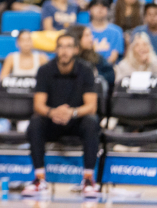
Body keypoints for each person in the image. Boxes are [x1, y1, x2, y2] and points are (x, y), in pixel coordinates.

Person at [23, 32, 100, 198]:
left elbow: (91, 106)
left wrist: (71, 112)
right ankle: (39, 179)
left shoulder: (86, 70)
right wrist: (53, 112)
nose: (64, 51)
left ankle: (88, 179)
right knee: (36, 122)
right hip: (53, 120)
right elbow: (38, 105)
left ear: (76, 50)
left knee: (92, 122)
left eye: (68, 46)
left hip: (76, 121)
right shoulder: (45, 70)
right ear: (56, 50)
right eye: (61, 46)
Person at [87, 0, 124, 67]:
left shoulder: (117, 31)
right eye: (96, 6)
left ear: (108, 10)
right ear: (89, 11)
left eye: (103, 6)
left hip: (109, 68)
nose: (100, 9)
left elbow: (114, 57)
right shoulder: (84, 31)